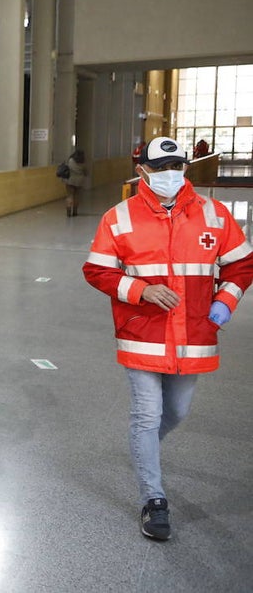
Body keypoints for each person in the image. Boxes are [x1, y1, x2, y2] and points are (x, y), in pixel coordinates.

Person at [83, 136, 253, 541]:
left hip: (194, 334)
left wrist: (225, 302)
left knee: (175, 412)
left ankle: (145, 450)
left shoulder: (213, 215)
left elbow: (242, 264)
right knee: (147, 414)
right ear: (142, 170)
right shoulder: (118, 217)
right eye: (160, 168)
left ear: (185, 168)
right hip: (142, 334)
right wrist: (141, 290)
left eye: (176, 166)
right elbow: (97, 271)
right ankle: (153, 499)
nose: (169, 175)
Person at [64, 149, 87, 217]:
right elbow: (86, 172)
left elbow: (66, 168)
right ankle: (75, 212)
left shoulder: (70, 160)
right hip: (79, 182)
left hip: (70, 180)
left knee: (69, 195)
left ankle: (68, 212)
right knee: (76, 196)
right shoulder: (83, 163)